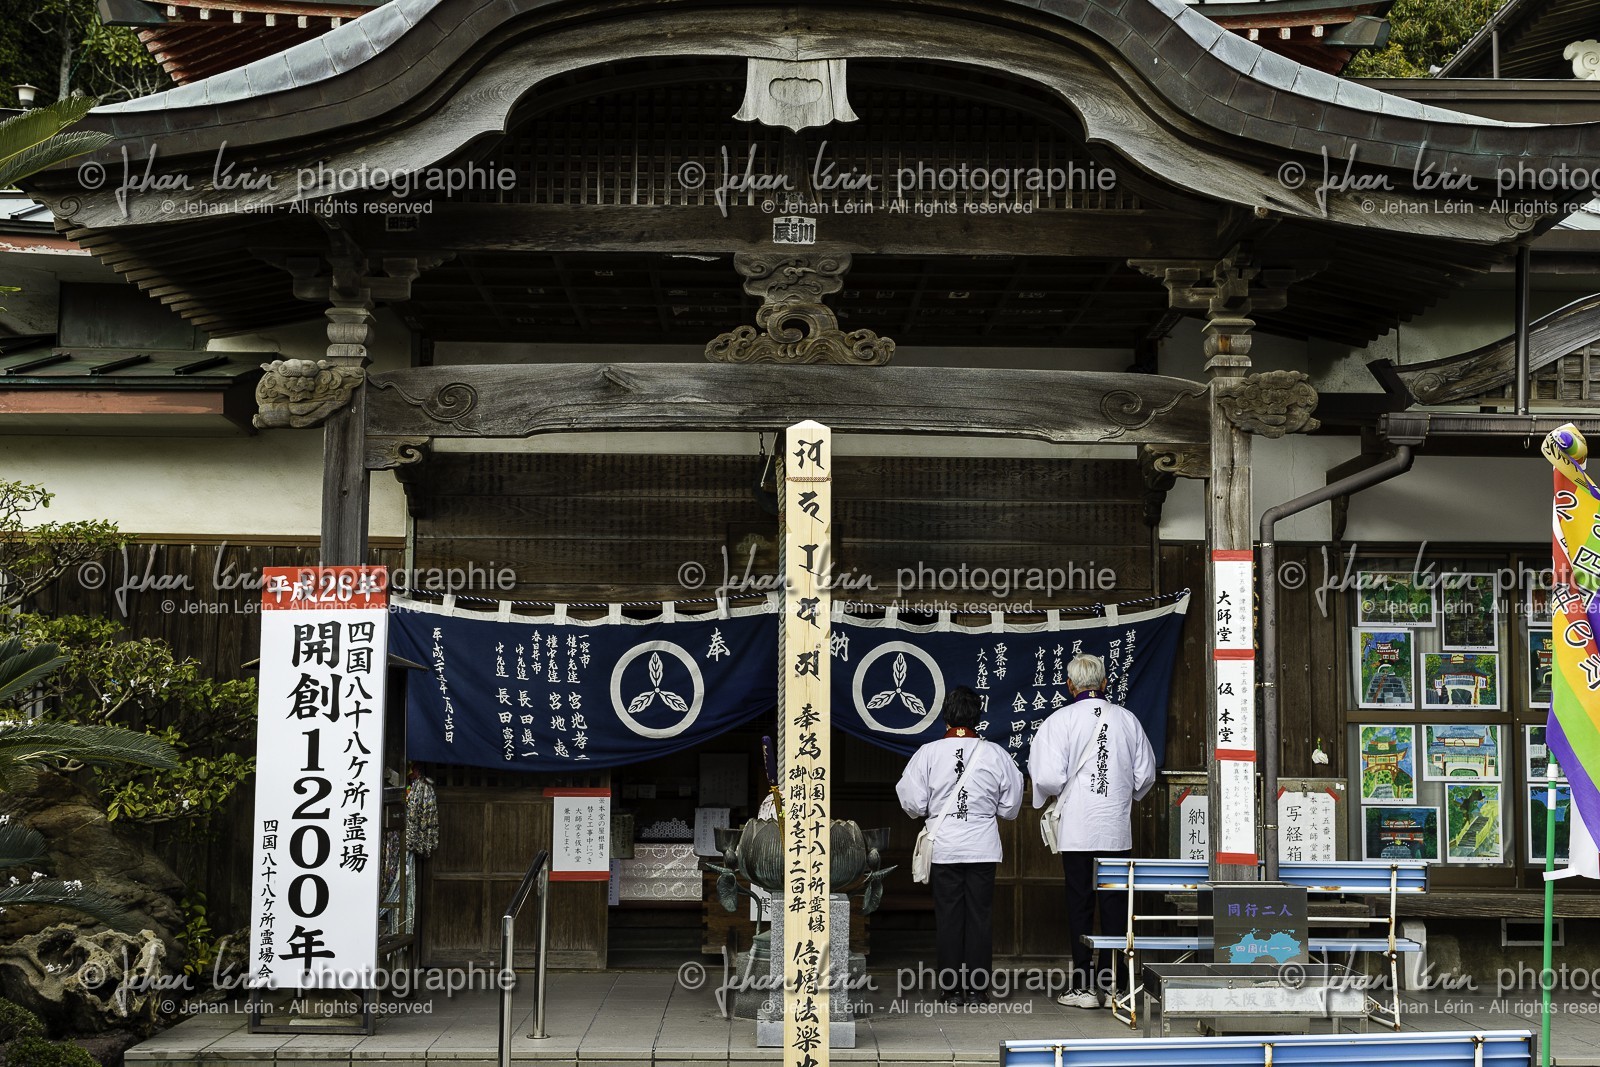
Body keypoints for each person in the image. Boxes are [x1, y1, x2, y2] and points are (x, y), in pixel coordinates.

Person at [1028, 653, 1155, 1010]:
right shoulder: (1127, 720)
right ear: (1104, 683)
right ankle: (1115, 983)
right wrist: (1119, 794)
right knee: (1115, 905)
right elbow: (1145, 775)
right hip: (1115, 828)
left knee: (1079, 902)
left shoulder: (1059, 721)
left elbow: (1047, 777)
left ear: (1070, 686)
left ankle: (1083, 987)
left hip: (1078, 830)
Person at [896, 685, 1023, 1003]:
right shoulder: (995, 754)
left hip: (945, 846)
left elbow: (911, 802)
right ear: (979, 717)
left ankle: (951, 989)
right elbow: (1010, 807)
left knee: (949, 916)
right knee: (980, 916)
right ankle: (979, 990)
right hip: (982, 845)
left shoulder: (927, 753)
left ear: (945, 719)